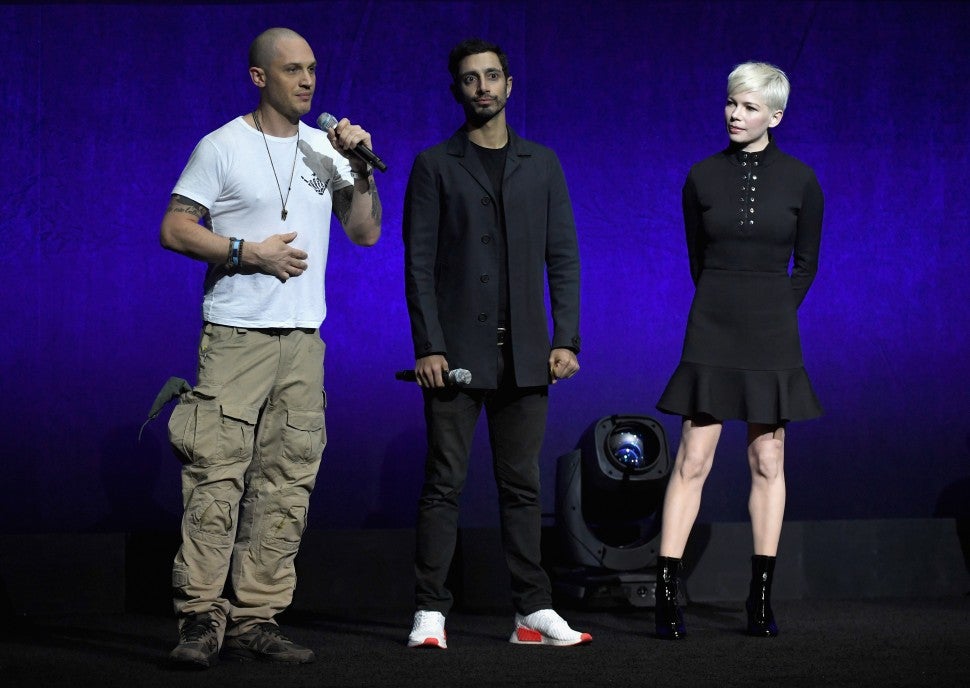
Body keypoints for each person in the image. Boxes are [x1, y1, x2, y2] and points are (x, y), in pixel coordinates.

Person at [159, 27, 381, 668]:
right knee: (215, 478)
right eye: (291, 70)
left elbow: (365, 232)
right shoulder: (222, 146)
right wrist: (246, 253)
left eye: (312, 68)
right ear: (260, 77)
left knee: (287, 483)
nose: (307, 80)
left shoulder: (325, 150)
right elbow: (175, 227)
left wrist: (360, 165)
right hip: (236, 337)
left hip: (303, 340)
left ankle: (257, 616)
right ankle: (200, 618)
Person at [402, 38, 591, 648]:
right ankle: (430, 610)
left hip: (527, 355)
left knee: (522, 486)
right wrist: (429, 345)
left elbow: (563, 257)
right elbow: (419, 265)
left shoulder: (542, 163)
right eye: (470, 78)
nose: (482, 87)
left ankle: (532, 610)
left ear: (509, 84)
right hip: (455, 356)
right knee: (444, 484)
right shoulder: (435, 165)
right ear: (457, 90)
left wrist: (565, 338)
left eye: (491, 76)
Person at [654, 62, 823, 639]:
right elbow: (697, 259)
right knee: (693, 458)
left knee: (768, 460)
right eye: (731, 102)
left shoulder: (801, 180)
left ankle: (760, 597)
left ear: (775, 116)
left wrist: (775, 309)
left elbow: (806, 265)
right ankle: (666, 594)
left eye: (749, 107)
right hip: (713, 325)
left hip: (772, 331)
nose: (734, 114)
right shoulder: (701, 176)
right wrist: (723, 306)